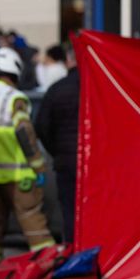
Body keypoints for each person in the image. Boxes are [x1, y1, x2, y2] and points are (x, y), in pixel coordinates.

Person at [0, 47, 56, 265]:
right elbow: (24, 131)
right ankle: (49, 267)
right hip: (18, 176)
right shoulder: (14, 98)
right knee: (33, 222)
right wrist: (39, 166)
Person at [34, 45, 79, 244]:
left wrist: (56, 151)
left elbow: (42, 126)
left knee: (69, 211)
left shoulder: (57, 89)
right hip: (95, 163)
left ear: (69, 61)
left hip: (65, 162)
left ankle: (72, 253)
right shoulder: (97, 86)